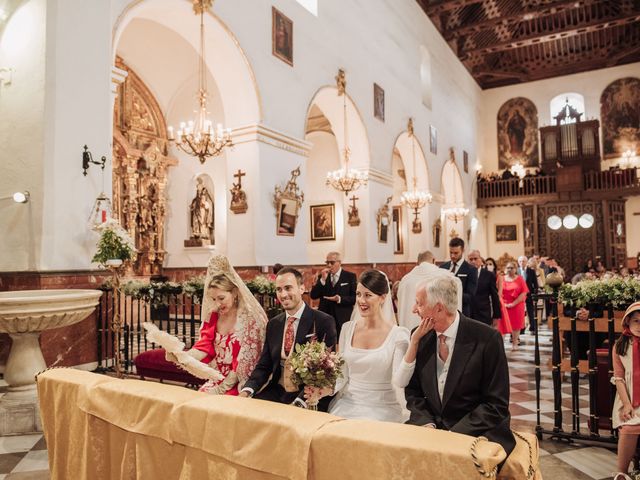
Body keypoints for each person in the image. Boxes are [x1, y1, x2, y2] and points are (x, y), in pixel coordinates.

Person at [403, 276, 515, 460]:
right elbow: (413, 391)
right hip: (430, 428)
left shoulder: (487, 339)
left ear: (439, 308)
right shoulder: (419, 336)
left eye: (419, 304)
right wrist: (426, 423)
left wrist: (454, 435)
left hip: (477, 429)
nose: (414, 309)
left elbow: (496, 404)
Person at [143, 254, 267, 395]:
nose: (217, 304)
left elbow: (245, 362)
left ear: (235, 293)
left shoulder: (249, 320)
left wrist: (221, 389)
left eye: (221, 298)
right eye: (213, 299)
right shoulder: (214, 316)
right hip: (217, 378)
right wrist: (184, 357)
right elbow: (205, 346)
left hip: (241, 383)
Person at [313, 270, 410, 422]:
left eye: (368, 295)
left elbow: (400, 381)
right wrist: (324, 390)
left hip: (383, 408)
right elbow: (343, 375)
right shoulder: (347, 329)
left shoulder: (399, 335)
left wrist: (414, 343)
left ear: (383, 298)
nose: (361, 301)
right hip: (348, 404)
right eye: (358, 294)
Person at [240, 267, 337, 407]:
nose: (283, 294)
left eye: (288, 288)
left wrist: (299, 402)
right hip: (277, 391)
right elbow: (264, 365)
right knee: (249, 413)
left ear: (302, 288)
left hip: (308, 394)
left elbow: (325, 371)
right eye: (279, 289)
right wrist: (247, 390)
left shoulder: (323, 321)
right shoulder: (273, 324)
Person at [397, 250, 462, 330]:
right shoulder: (448, 278)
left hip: (408, 330)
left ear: (417, 263)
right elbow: (455, 309)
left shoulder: (405, 280)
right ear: (434, 260)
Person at [612, 302, 640, 479]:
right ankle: (621, 472)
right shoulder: (620, 346)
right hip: (629, 398)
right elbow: (619, 379)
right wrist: (627, 404)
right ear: (628, 321)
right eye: (636, 321)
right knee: (629, 428)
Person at [310, 251, 357, 337]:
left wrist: (340, 299)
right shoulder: (322, 277)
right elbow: (313, 296)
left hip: (343, 318)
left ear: (339, 263)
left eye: (332, 262)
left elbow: (355, 298)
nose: (329, 265)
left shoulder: (350, 277)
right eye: (327, 262)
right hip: (325, 317)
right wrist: (322, 281)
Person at [439, 237, 477, 317]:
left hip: (462, 312)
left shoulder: (471, 270)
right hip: (443, 311)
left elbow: (470, 296)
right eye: (450, 252)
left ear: (463, 251)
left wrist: (449, 295)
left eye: (456, 253)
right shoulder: (442, 267)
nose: (452, 256)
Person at [468, 250, 501, 327]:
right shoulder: (464, 274)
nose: (473, 261)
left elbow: (494, 296)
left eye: (475, 259)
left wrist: (496, 316)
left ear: (480, 259)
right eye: (471, 259)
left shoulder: (489, 275)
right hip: (467, 314)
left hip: (483, 314)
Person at [501, 262, 529, 349]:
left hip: (517, 305)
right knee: (502, 325)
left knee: (516, 325)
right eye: (508, 268)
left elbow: (523, 293)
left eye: (512, 268)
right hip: (504, 305)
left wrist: (513, 304)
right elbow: (497, 292)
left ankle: (515, 343)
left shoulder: (520, 279)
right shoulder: (501, 279)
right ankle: (501, 345)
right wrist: (503, 303)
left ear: (515, 269)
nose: (509, 269)